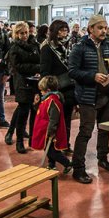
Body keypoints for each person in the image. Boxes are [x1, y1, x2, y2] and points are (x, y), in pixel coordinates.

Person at [68, 14, 109, 184]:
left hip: (106, 94)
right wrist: (91, 76)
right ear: (90, 30)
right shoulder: (79, 48)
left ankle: (103, 158)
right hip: (87, 96)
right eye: (100, 28)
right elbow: (72, 71)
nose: (104, 31)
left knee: (104, 129)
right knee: (86, 132)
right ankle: (78, 168)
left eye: (105, 27)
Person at [40, 20, 76, 155]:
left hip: (68, 88)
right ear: (54, 31)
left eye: (66, 30)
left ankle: (65, 144)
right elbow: (44, 71)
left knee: (67, 119)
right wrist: (49, 91)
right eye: (61, 30)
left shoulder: (64, 46)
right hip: (56, 89)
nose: (64, 33)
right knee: (55, 121)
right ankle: (54, 147)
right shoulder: (47, 47)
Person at [7, 22, 40, 154]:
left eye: (26, 32)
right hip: (22, 83)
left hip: (35, 83)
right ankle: (19, 141)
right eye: (21, 33)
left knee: (34, 111)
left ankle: (33, 139)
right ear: (17, 34)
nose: (25, 35)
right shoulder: (14, 48)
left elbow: (40, 60)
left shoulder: (35, 45)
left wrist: (38, 69)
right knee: (23, 113)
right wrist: (36, 68)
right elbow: (18, 66)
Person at [31, 75, 72, 173]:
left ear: (48, 90)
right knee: (49, 148)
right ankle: (51, 163)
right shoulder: (46, 99)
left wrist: (50, 132)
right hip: (45, 131)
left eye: (42, 90)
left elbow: (54, 119)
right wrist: (36, 103)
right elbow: (41, 112)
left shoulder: (53, 101)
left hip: (51, 132)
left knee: (52, 151)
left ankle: (67, 163)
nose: (41, 92)